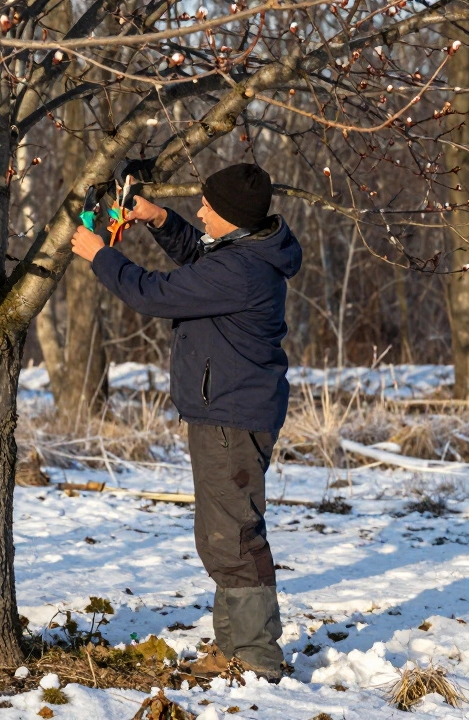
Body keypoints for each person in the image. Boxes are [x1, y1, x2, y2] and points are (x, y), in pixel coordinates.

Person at [69, 163, 302, 682]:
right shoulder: (246, 252)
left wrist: (101, 256)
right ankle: (239, 647)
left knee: (232, 538)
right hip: (231, 410)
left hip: (230, 417)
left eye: (208, 209)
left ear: (233, 220)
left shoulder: (239, 270)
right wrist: (157, 219)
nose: (200, 212)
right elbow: (200, 253)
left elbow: (154, 293)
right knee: (225, 533)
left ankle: (255, 657)